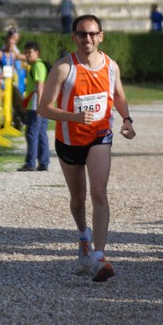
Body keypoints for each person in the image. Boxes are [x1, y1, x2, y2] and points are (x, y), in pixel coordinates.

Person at [38, 14, 136, 282]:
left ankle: (100, 255)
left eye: (93, 34)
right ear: (74, 37)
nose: (88, 39)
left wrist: (126, 119)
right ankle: (83, 235)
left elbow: (118, 95)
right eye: (82, 34)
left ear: (101, 36)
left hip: (99, 135)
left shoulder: (110, 66)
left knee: (99, 192)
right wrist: (74, 117)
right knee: (78, 199)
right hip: (69, 140)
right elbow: (43, 108)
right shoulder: (63, 67)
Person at [17, 41, 49, 172]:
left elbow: (40, 85)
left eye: (30, 52)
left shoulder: (37, 66)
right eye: (26, 52)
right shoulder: (39, 65)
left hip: (36, 104)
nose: (27, 55)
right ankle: (43, 163)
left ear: (37, 53)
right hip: (42, 103)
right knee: (41, 133)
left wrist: (39, 106)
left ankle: (30, 163)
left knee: (31, 133)